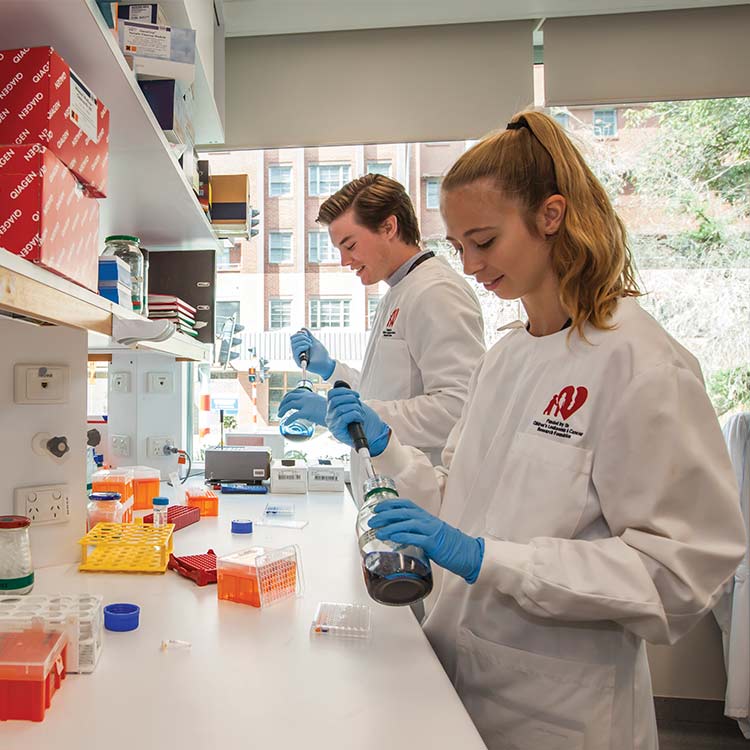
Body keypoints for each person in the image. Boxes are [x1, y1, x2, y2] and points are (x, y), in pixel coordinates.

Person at [325, 111, 746, 749]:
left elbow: (683, 571)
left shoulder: (640, 364)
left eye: (484, 242)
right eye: (460, 245)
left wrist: (489, 558)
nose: (468, 266)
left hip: (560, 711)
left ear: (551, 216)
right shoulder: (508, 357)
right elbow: (464, 502)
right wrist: (399, 463)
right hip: (459, 681)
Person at [279, 173, 485, 504]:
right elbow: (390, 391)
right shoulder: (399, 291)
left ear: (389, 227)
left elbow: (458, 407)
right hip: (388, 497)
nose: (344, 260)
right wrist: (331, 370)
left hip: (422, 498)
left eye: (350, 245)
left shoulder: (436, 292)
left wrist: (357, 419)